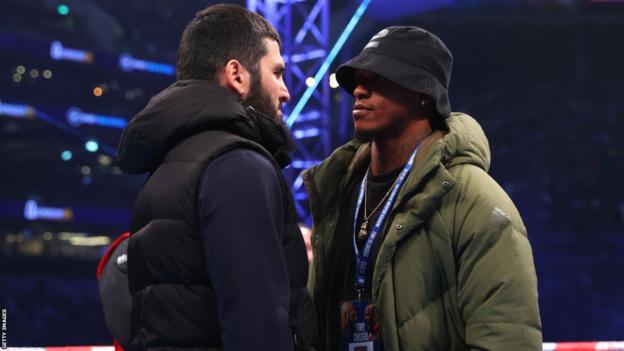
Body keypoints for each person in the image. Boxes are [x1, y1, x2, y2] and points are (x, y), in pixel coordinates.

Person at [303, 26, 541, 350]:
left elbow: (506, 337)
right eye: (358, 79)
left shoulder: (475, 201)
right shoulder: (338, 190)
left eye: (379, 79)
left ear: (423, 94)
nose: (359, 90)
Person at [115, 4, 316, 350]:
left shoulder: (170, 161)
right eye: (278, 73)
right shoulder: (238, 163)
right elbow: (256, 323)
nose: (286, 91)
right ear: (237, 75)